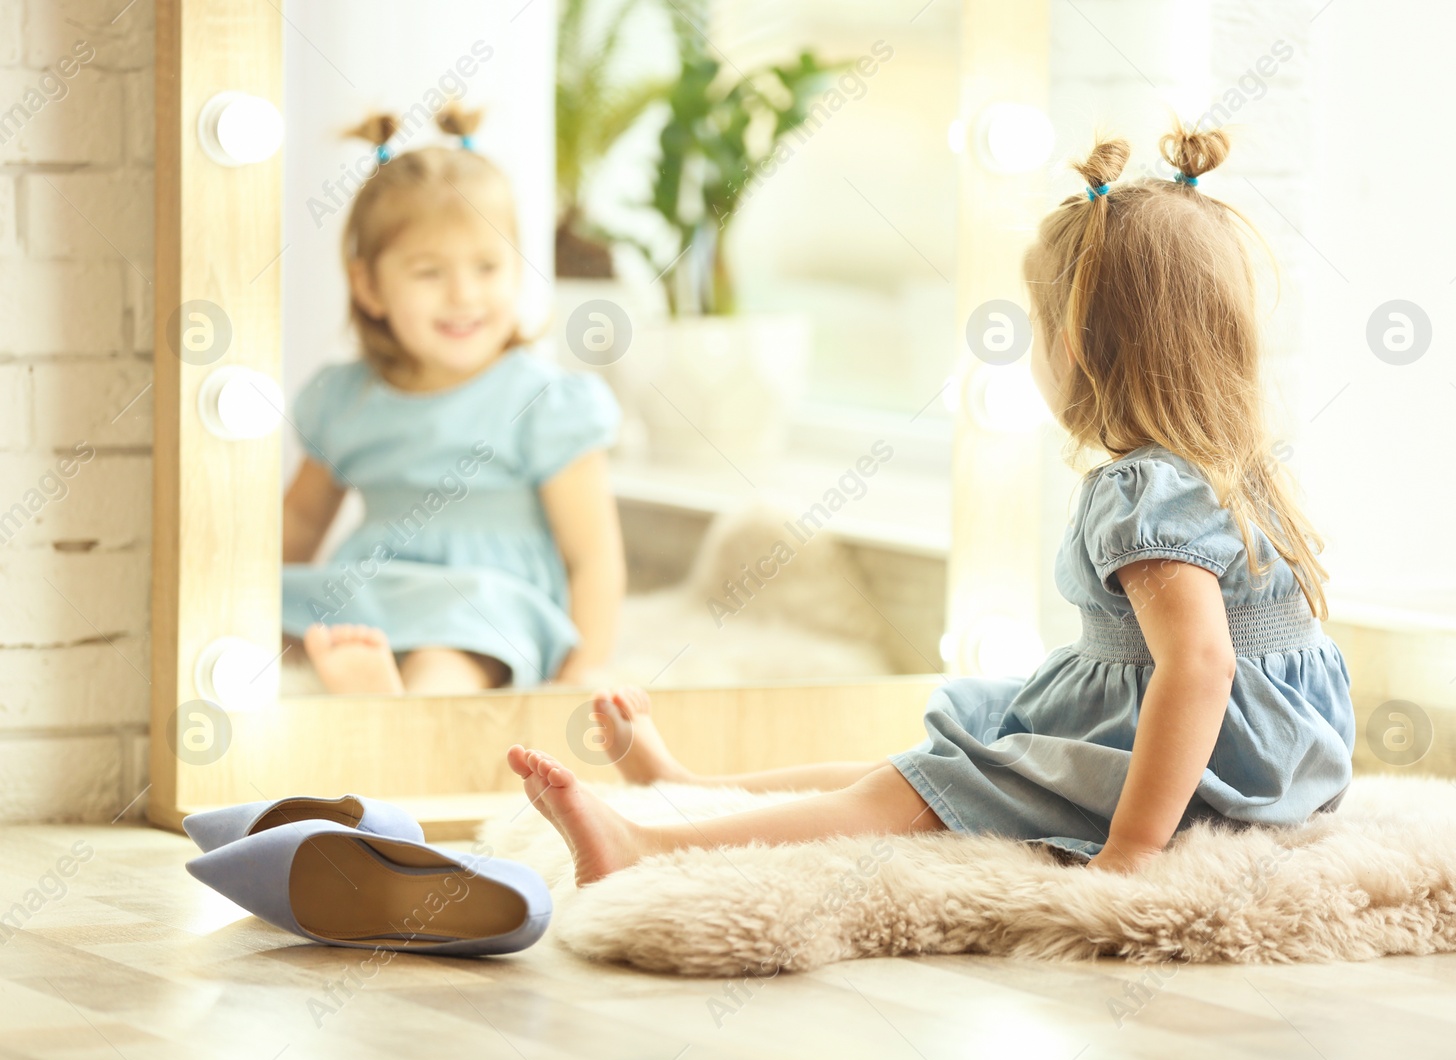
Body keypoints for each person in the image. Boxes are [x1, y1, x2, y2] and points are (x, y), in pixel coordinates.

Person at [508, 121, 1354, 882]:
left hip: (1194, 770)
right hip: (1277, 761)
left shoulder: (1142, 491)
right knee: (932, 760)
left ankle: (651, 845)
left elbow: (1201, 666)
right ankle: (696, 790)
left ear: (1069, 348)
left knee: (912, 788)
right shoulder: (1246, 470)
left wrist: (1131, 846)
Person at [282, 107, 623, 694]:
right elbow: (301, 518)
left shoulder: (542, 403)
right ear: (369, 286)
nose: (464, 295)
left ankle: (397, 703)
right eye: (429, 273)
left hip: (487, 609)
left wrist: (582, 667)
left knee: (445, 667)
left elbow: (594, 556)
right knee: (269, 626)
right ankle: (363, 675)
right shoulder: (346, 399)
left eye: (487, 267)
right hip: (376, 591)